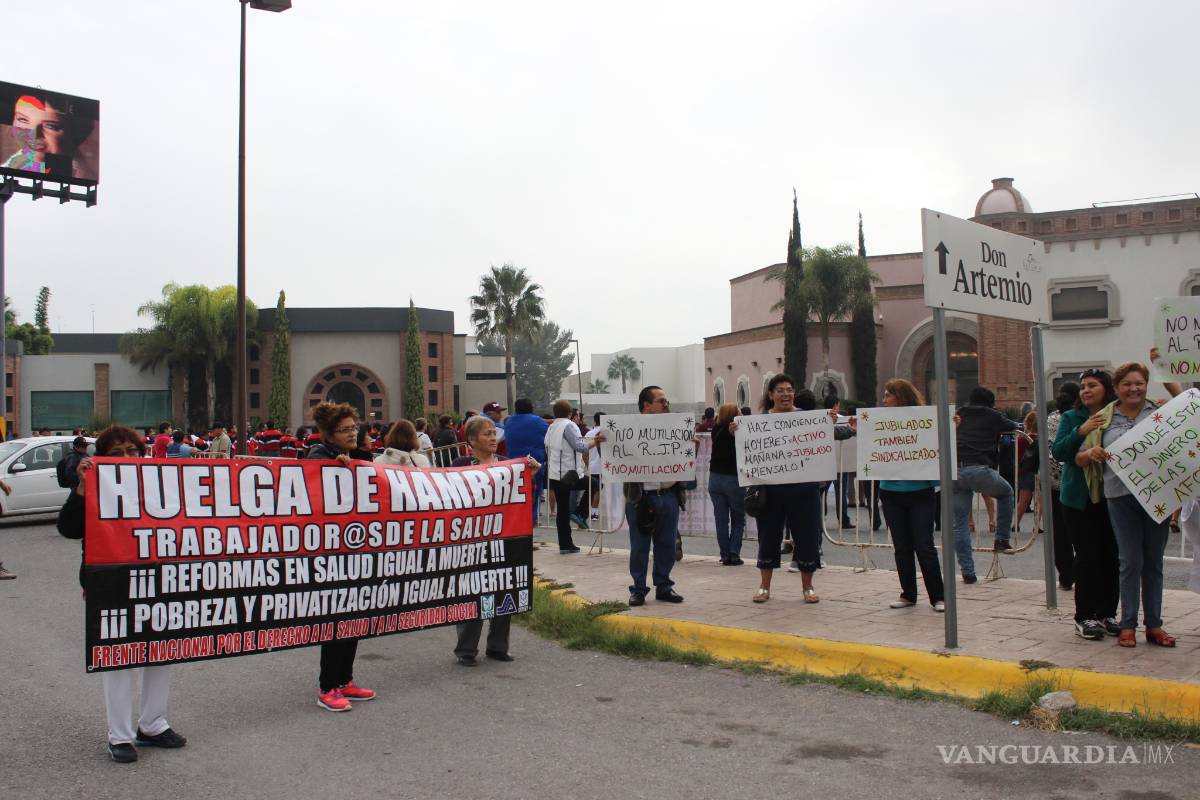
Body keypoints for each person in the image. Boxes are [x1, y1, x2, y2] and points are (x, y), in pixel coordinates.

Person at [60, 426, 186, 762]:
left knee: (160, 652)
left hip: (157, 580)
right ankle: (120, 735)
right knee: (117, 657)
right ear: (102, 457)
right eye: (117, 453)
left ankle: (153, 724)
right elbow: (68, 529)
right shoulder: (93, 485)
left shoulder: (160, 485)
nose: (127, 458)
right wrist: (83, 489)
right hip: (109, 582)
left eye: (133, 451)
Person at [1077, 362, 1180, 647]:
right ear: (1117, 388)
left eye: (1139, 383)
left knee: (1153, 562)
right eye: (1127, 384)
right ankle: (1128, 624)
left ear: (1146, 384)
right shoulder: (1103, 418)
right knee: (1129, 561)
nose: (1134, 388)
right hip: (1119, 497)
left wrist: (1163, 366)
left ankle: (1155, 626)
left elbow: (1188, 409)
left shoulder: (1158, 412)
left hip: (1157, 497)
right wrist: (1092, 452)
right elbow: (1079, 458)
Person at [738, 377, 854, 604]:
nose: (786, 394)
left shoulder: (809, 418)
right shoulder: (757, 422)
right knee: (768, 538)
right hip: (770, 492)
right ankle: (764, 586)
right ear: (771, 394)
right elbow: (746, 446)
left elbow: (830, 435)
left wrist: (842, 427)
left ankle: (808, 587)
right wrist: (736, 431)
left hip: (804, 490)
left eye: (790, 390)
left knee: (808, 537)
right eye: (780, 390)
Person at [451, 415, 540, 665]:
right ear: (471, 439)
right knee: (472, 593)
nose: (493, 438)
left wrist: (529, 475)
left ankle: (498, 646)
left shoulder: (505, 464)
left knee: (504, 590)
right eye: (486, 434)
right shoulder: (461, 463)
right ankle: (466, 650)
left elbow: (518, 497)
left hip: (504, 538)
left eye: (494, 433)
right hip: (471, 541)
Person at [305, 402, 377, 710]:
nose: (352, 433)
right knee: (335, 618)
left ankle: (345, 679)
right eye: (345, 429)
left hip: (355, 547)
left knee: (353, 617)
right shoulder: (318, 458)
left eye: (354, 427)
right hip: (330, 551)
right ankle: (327, 687)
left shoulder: (359, 457)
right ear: (329, 433)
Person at [1052, 369, 1121, 640]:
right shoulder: (1072, 417)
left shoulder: (1117, 415)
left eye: (1093, 385)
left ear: (1106, 388)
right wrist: (1082, 431)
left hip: (1112, 496)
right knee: (1087, 556)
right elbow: (1060, 452)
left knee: (1111, 556)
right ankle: (1085, 615)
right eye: (1083, 387)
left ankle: (1107, 612)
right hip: (1079, 499)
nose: (1086, 391)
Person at [876, 380, 945, 612]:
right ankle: (908, 594)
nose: (884, 400)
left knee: (924, 545)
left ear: (901, 397)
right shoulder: (880, 423)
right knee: (902, 547)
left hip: (920, 493)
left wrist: (951, 425)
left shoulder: (924, 421)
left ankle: (938, 596)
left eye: (888, 395)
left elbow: (941, 438)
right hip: (891, 493)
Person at [624, 386, 685, 606]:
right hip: (641, 498)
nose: (666, 404)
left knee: (667, 544)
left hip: (668, 494)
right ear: (646, 405)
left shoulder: (675, 428)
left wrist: (690, 447)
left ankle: (664, 586)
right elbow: (615, 459)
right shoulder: (627, 429)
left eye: (666, 400)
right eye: (661, 401)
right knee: (639, 546)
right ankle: (638, 589)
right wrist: (606, 444)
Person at [952, 386, 1020, 582]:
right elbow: (1016, 427)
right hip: (979, 468)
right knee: (1006, 493)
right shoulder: (993, 415)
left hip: (955, 471)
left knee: (960, 525)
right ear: (991, 402)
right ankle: (1001, 538)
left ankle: (968, 572)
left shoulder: (959, 413)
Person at [545, 400, 603, 553]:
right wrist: (595, 442)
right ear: (570, 413)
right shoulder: (569, 425)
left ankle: (565, 545)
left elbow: (547, 446)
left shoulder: (552, 427)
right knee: (595, 484)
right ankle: (580, 513)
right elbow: (579, 447)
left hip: (554, 474)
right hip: (569, 472)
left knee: (562, 511)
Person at [3, 90, 98, 180]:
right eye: (22, 120)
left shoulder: (78, 174)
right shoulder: (13, 164)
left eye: (51, 126)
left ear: (75, 133)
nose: (34, 136)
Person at [1045, 382, 1079, 591]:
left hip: (1053, 482)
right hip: (1074, 481)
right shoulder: (1076, 418)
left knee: (1059, 532)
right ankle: (1078, 570)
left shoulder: (1051, 418)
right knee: (1081, 531)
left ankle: (1065, 575)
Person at [707, 403, 744, 565]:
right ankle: (734, 552)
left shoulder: (716, 429)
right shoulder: (733, 430)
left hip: (714, 478)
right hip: (733, 478)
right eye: (739, 411)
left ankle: (724, 554)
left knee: (721, 520)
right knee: (738, 518)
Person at [503, 399, 550, 520]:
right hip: (533, 462)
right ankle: (532, 518)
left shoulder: (509, 421)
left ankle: (517, 517)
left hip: (512, 462)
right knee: (535, 490)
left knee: (517, 492)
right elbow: (549, 430)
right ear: (531, 408)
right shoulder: (536, 421)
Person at [1013, 412, 1039, 534]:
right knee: (1039, 500)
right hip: (1038, 470)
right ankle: (1037, 525)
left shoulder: (1021, 438)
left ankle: (1015, 524)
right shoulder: (1041, 439)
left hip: (1024, 471)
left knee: (1022, 501)